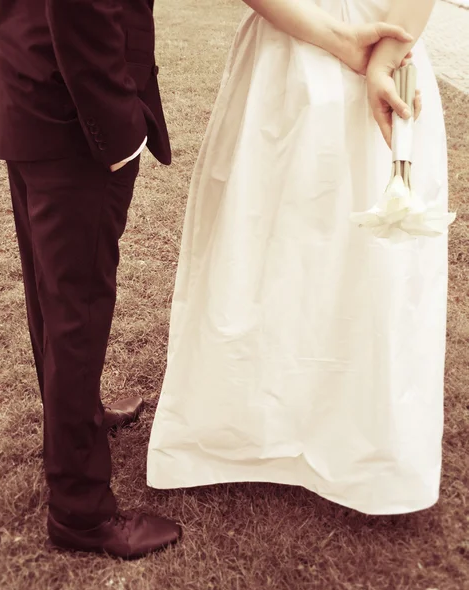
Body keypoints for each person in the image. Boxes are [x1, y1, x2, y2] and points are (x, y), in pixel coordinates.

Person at [147, 0, 448, 515]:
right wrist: (352, 47)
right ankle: (253, 425)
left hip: (364, 53)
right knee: (271, 235)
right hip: (290, 58)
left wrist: (381, 61)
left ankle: (348, 432)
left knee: (352, 251)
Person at [0, 0, 181, 558]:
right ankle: (80, 510)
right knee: (77, 310)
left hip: (30, 92)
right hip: (72, 116)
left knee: (53, 297)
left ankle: (73, 422)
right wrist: (120, 130)